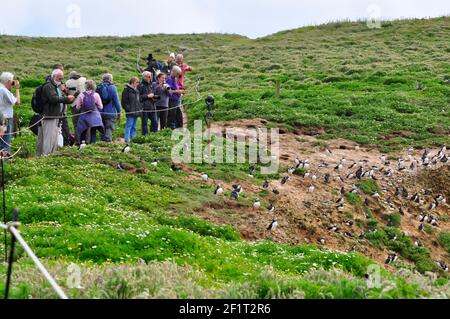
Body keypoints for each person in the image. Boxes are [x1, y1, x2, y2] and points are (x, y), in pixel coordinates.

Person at [38, 69, 75, 157]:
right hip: (49, 116)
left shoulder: (56, 86)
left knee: (54, 139)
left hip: (56, 116)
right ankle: (46, 157)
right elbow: (53, 99)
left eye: (62, 78)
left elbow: (60, 99)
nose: (61, 80)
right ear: (54, 77)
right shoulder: (49, 86)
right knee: (49, 139)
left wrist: (68, 99)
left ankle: (49, 157)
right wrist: (67, 99)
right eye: (59, 78)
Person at [46, 64, 73, 146]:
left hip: (61, 112)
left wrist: (65, 92)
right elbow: (54, 98)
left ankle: (65, 147)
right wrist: (66, 98)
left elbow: (61, 95)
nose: (62, 72)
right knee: (58, 132)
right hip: (53, 113)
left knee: (64, 131)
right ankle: (62, 148)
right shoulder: (49, 84)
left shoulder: (58, 82)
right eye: (61, 70)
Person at [76, 80, 104, 144]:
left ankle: (82, 145)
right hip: (94, 116)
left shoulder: (81, 95)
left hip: (84, 116)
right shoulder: (96, 95)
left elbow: (77, 107)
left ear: (85, 86)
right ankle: (92, 145)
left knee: (83, 131)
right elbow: (101, 107)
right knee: (93, 131)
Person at [0, 72, 21, 156]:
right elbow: (17, 102)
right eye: (12, 81)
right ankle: (4, 162)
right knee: (5, 143)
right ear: (8, 81)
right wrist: (17, 88)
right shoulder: (4, 90)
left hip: (1, 118)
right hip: (5, 119)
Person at [98, 73, 121, 142]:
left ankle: (101, 143)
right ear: (110, 79)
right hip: (110, 112)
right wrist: (119, 112)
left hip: (100, 112)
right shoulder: (112, 87)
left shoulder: (99, 87)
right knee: (109, 128)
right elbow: (116, 101)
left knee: (102, 127)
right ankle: (107, 142)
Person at [66, 71, 87, 145]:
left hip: (74, 105)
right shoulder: (84, 79)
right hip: (84, 105)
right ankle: (86, 141)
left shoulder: (68, 82)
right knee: (85, 123)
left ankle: (78, 141)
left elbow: (67, 93)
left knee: (76, 124)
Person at [122, 77, 142, 143]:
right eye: (137, 82)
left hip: (136, 110)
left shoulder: (137, 91)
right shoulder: (126, 90)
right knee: (129, 125)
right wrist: (129, 109)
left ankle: (133, 139)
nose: (138, 84)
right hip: (130, 111)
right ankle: (127, 139)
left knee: (134, 126)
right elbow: (124, 102)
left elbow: (138, 101)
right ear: (132, 82)